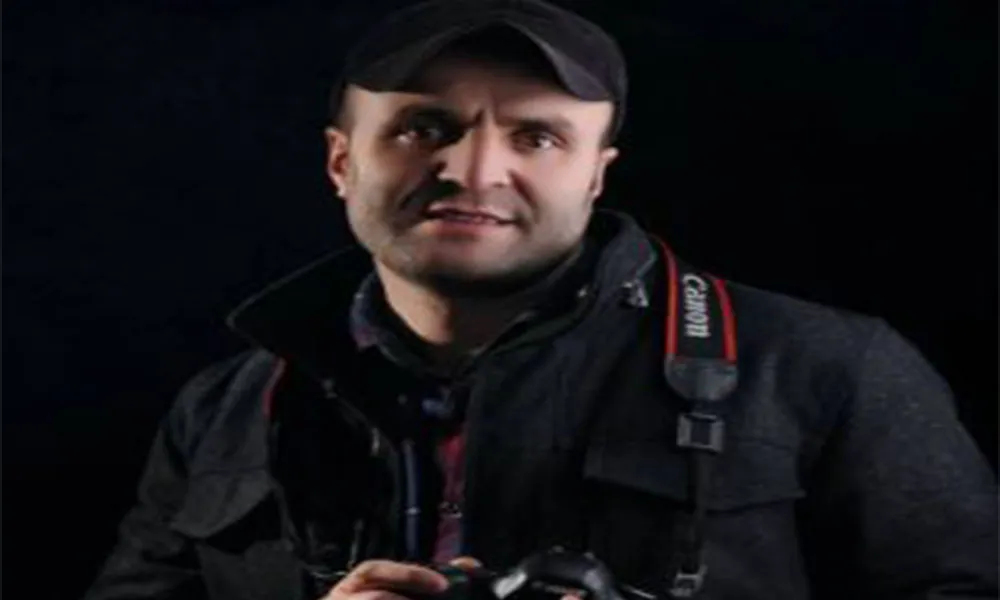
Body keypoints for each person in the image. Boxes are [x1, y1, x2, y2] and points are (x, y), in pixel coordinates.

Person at [83, 0, 998, 598]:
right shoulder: (226, 411)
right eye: (423, 127)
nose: (474, 169)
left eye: (537, 137)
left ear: (598, 174)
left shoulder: (827, 371)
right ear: (340, 161)